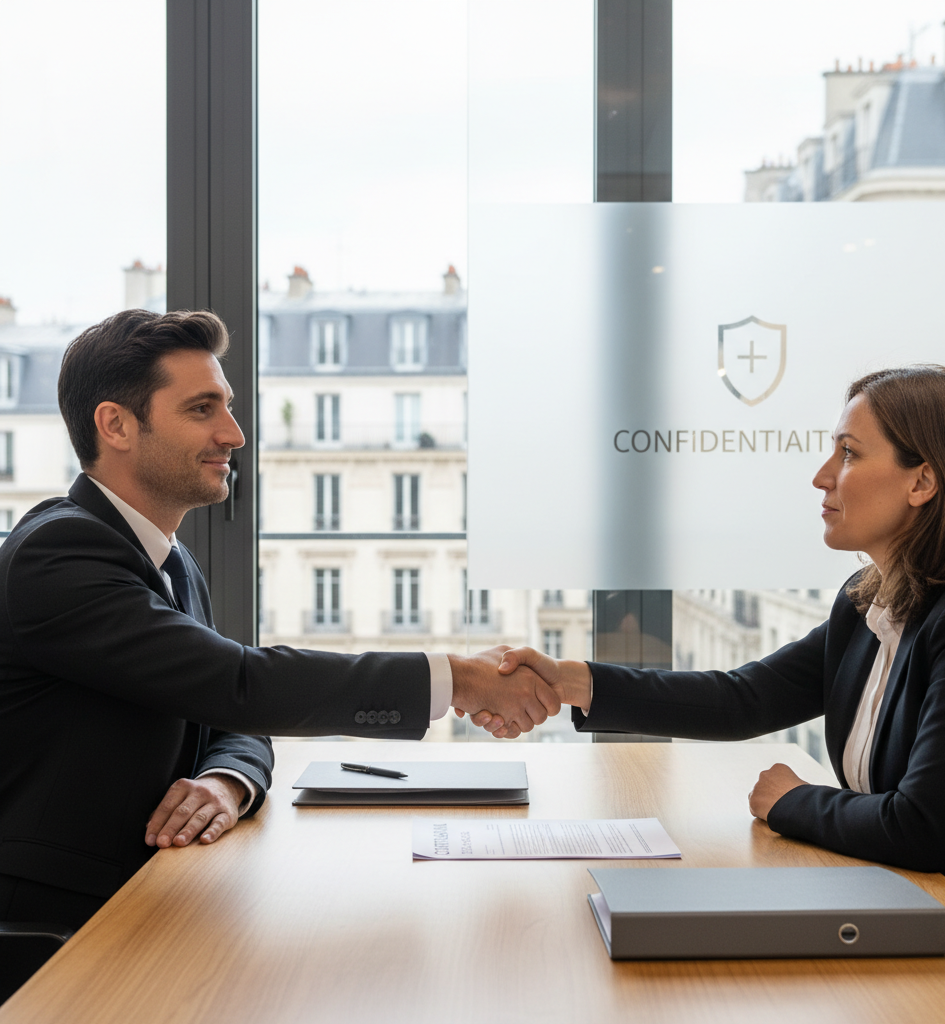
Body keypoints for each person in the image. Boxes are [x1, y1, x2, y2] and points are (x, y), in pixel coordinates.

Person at [0, 308, 558, 930]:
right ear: (116, 425)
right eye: (202, 409)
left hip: (154, 895)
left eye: (228, 407)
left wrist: (225, 781)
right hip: (52, 924)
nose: (235, 434)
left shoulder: (170, 559)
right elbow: (240, 684)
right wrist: (460, 677)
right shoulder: (58, 556)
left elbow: (234, 716)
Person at [489, 365, 945, 941]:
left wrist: (793, 800)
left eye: (848, 454)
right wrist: (573, 681)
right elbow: (744, 699)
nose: (822, 477)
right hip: (896, 909)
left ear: (922, 482)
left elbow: (924, 827)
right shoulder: (865, 605)